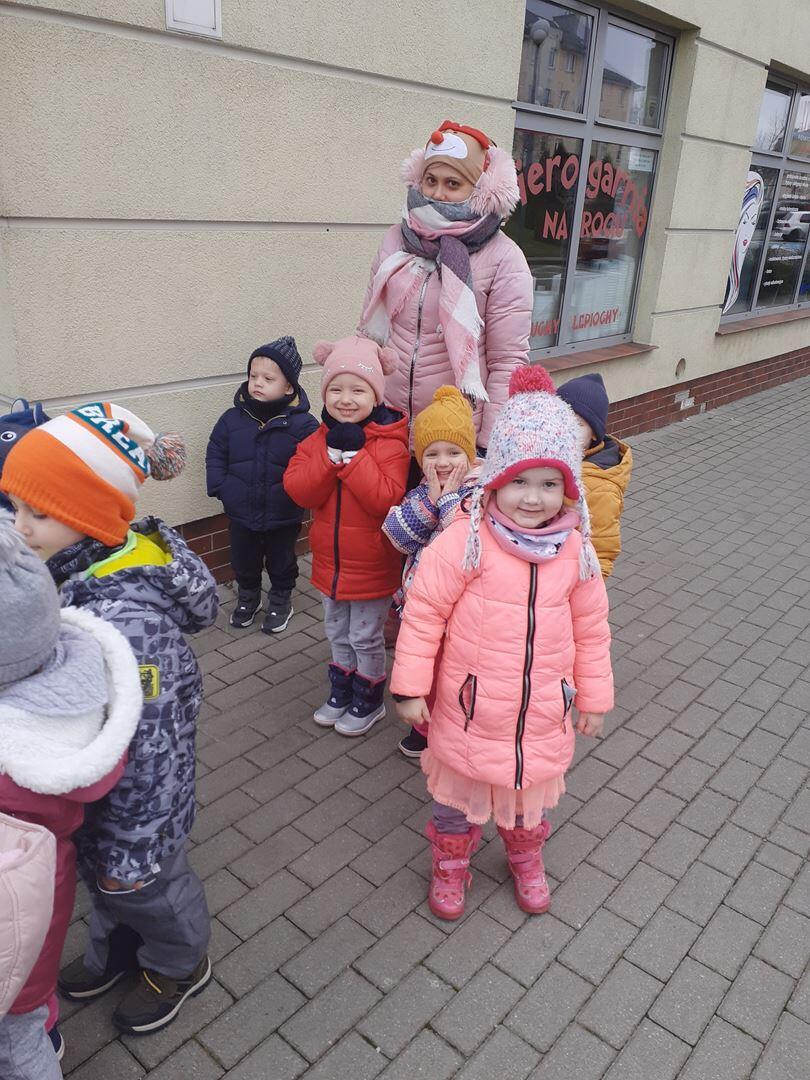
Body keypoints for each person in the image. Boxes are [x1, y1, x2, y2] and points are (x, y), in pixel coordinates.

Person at [0, 402, 219, 1036]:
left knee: (147, 888)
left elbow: (157, 744)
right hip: (96, 802)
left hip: (137, 812)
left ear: (90, 516)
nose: (19, 527)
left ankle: (179, 961)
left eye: (39, 513)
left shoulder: (132, 624)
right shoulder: (63, 569)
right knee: (107, 887)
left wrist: (134, 838)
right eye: (14, 507)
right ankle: (117, 950)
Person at [391, 366, 614, 920]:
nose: (532, 498)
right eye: (519, 481)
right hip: (471, 712)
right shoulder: (463, 541)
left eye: (549, 484)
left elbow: (591, 630)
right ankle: (450, 864)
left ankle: (525, 857)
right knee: (454, 806)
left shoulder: (576, 552)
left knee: (526, 804)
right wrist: (410, 688)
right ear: (494, 482)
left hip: (539, 715)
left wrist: (593, 696)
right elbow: (423, 615)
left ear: (569, 489)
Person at [0, 516, 141, 1078]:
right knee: (30, 1013)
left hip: (9, 935)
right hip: (43, 911)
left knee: (17, 1039)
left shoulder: (9, 767)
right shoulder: (72, 707)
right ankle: (48, 1029)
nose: (25, 522)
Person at [359, 119, 533, 451]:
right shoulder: (396, 240)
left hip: (452, 440)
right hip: (387, 426)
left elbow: (507, 362)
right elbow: (368, 336)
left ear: (481, 189)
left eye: (453, 183)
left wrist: (488, 444)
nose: (437, 193)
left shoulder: (504, 259)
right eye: (431, 180)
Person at [284, 336, 410, 736]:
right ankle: (341, 692)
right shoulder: (316, 440)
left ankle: (369, 701)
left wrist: (355, 461)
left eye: (358, 390)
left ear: (375, 395)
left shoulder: (390, 444)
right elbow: (299, 491)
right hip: (330, 564)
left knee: (365, 637)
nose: (346, 399)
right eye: (336, 389)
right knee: (337, 632)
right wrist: (328, 459)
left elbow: (385, 499)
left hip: (371, 564)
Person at [382, 386, 479, 759]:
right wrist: (431, 500)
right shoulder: (421, 492)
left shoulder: (480, 492)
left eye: (454, 453)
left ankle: (455, 728)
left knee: (454, 674)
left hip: (462, 611)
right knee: (425, 669)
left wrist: (449, 500)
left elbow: (466, 540)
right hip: (422, 605)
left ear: (469, 455)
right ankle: (423, 728)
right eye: (432, 453)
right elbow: (399, 537)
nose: (443, 462)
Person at [206, 336, 318, 632]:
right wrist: (220, 486)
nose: (258, 383)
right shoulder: (232, 419)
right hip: (241, 509)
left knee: (282, 560)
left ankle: (280, 599)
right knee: (244, 558)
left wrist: (299, 494)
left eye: (268, 378)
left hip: (283, 511)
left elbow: (313, 465)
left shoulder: (303, 425)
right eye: (253, 376)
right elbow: (216, 451)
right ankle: (248, 597)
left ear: (288, 387)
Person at [557, 372, 633, 578]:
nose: (566, 430)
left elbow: (601, 554)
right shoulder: (549, 462)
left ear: (594, 434)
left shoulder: (601, 488)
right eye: (560, 419)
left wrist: (583, 593)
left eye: (578, 424)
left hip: (568, 582)